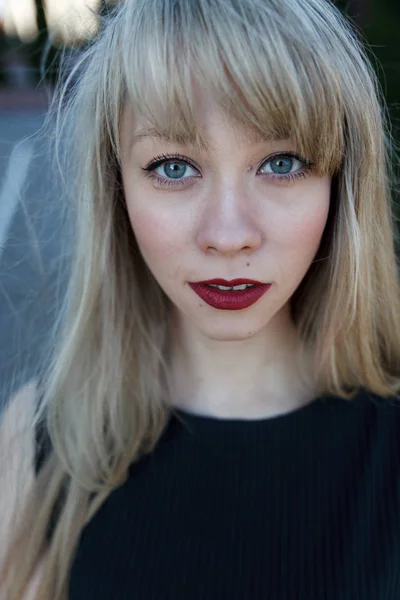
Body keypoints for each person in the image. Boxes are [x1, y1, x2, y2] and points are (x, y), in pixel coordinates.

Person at [1, 0, 400, 598]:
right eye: (173, 167)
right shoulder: (35, 444)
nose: (228, 233)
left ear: (341, 182)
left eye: (282, 162)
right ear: (117, 189)